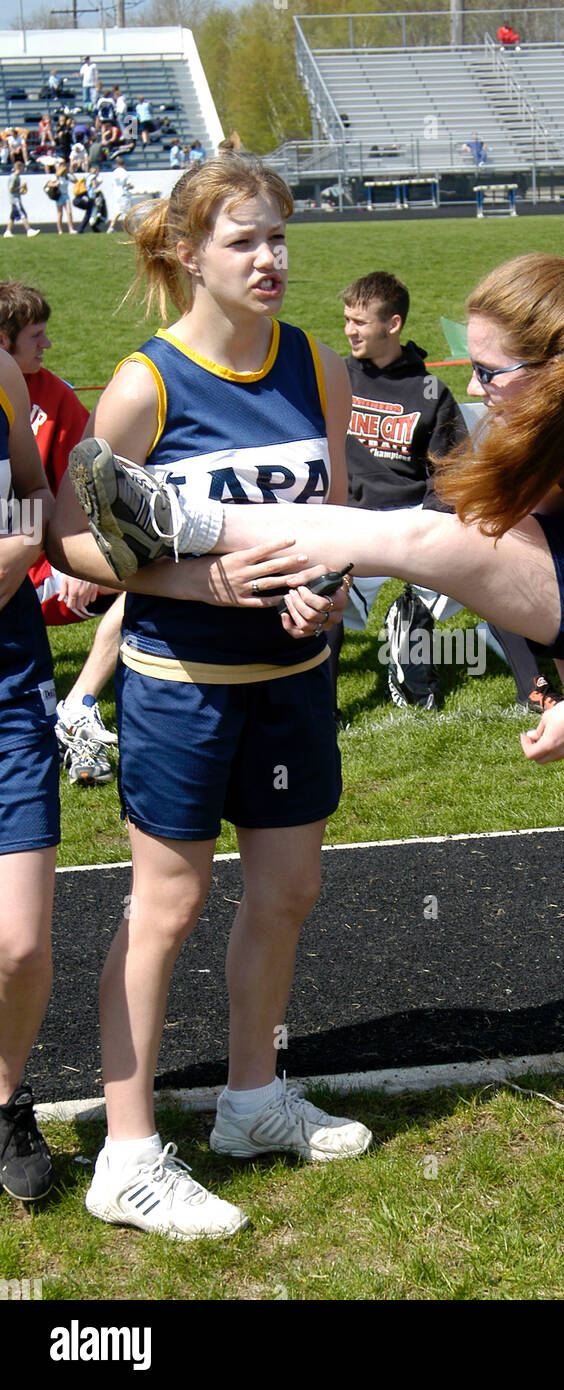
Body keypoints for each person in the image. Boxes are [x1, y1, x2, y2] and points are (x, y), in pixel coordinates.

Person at [63, 253, 564, 1187]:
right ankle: (188, 521)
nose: (481, 391)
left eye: (493, 372)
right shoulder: (556, 419)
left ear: (563, 366)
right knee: (419, 536)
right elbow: (529, 542)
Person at [47, 153, 372, 1240]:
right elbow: (70, 538)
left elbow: (333, 516)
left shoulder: (318, 366)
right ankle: (127, 1154)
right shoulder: (149, 382)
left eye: (280, 235)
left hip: (292, 686)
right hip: (181, 690)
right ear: (189, 255)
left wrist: (327, 591)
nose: (271, 257)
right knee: (166, 909)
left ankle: (250, 1101)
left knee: (286, 893)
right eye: (245, 240)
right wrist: (195, 578)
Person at [335, 271, 561, 717]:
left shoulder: (429, 391)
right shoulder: (337, 378)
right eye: (347, 320)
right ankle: (320, 707)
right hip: (353, 521)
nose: (349, 331)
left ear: (393, 324)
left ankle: (531, 686)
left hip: (418, 518)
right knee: (319, 594)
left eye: (359, 322)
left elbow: (452, 473)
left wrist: (428, 527)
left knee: (493, 568)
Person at [0, 280, 123, 783]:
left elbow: (65, 491)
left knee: (157, 577)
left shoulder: (55, 396)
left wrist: (67, 555)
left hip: (34, 566)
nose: (47, 346)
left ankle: (77, 704)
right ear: (3, 340)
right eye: (36, 336)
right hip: (25, 569)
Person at [0, 345, 58, 1206]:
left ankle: (5, 1103)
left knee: (17, 941)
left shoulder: (0, 372)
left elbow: (35, 497)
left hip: (10, 682)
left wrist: (20, 545)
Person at [4, 162, 40, 239]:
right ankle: (29, 230)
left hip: (16, 198)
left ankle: (8, 231)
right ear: (19, 167)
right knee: (23, 214)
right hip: (15, 199)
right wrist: (20, 186)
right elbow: (11, 189)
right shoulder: (13, 177)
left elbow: (15, 190)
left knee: (12, 216)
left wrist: (22, 190)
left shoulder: (18, 177)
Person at [107, 156, 134, 232]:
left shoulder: (114, 173)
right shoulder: (126, 173)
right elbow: (128, 185)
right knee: (126, 212)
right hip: (123, 194)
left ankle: (112, 227)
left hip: (116, 193)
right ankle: (129, 228)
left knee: (119, 211)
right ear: (124, 163)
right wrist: (131, 186)